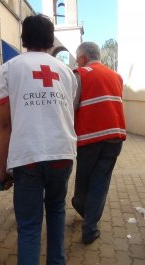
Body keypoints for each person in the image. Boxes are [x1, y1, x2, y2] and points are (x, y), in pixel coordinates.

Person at [0, 15, 77, 265]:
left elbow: (5, 123)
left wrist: (1, 168)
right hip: (62, 153)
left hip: (28, 155)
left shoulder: (9, 68)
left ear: (23, 39)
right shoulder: (66, 72)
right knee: (56, 211)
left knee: (29, 226)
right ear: (51, 40)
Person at [72, 42, 126, 244]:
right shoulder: (116, 76)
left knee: (84, 178)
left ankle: (80, 205)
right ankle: (90, 228)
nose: (77, 61)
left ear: (83, 58)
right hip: (115, 137)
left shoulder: (80, 74)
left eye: (77, 58)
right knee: (100, 182)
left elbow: (71, 106)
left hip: (89, 138)